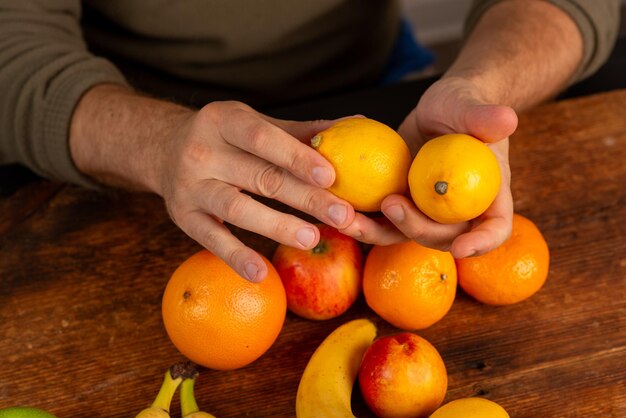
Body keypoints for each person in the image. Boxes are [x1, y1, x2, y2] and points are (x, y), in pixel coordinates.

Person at [0, 0, 619, 282]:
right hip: (138, 114)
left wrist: (484, 85)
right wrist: (155, 144)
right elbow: (12, 45)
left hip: (382, 93)